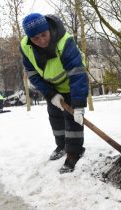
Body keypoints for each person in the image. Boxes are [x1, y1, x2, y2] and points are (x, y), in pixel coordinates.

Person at [20, 13, 89, 173]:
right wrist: (50, 94)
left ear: (48, 29)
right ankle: (62, 145)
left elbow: (77, 73)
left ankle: (74, 153)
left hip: (72, 85)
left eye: (44, 35)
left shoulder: (65, 42)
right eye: (36, 39)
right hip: (53, 87)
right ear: (30, 39)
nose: (42, 41)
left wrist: (78, 105)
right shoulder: (25, 47)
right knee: (55, 118)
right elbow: (32, 74)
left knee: (73, 121)